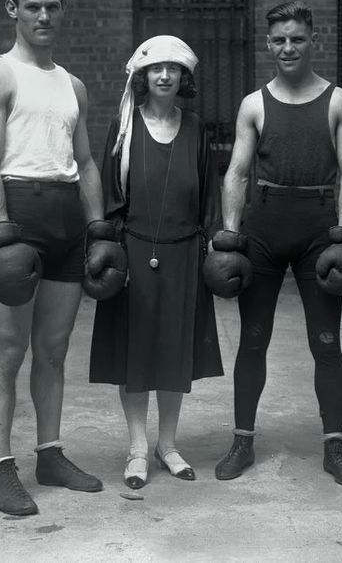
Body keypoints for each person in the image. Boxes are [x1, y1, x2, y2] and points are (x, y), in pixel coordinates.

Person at [0, 0, 118, 516]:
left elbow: (85, 162)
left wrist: (98, 228)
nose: (43, 15)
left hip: (66, 219)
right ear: (14, 9)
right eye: (33, 6)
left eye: (52, 6)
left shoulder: (72, 85)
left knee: (53, 349)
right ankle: (0, 469)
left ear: (63, 9)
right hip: (19, 214)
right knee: (8, 349)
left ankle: (50, 455)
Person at [211, 1, 342, 487]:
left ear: (313, 40)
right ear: (268, 44)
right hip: (264, 226)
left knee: (326, 341)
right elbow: (237, 171)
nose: (288, 47)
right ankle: (242, 441)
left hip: (319, 228)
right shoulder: (254, 104)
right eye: (279, 40)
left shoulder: (339, 100)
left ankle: (334, 448)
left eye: (297, 38)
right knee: (253, 338)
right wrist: (229, 236)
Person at [89, 35, 223, 489]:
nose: (164, 76)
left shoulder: (196, 129)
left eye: (173, 69)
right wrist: (112, 253)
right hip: (133, 251)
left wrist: (211, 248)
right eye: (155, 69)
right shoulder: (124, 126)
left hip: (184, 253)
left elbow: (208, 196)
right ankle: (137, 448)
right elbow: (111, 193)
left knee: (173, 350)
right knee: (135, 351)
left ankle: (168, 445)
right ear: (142, 76)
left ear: (184, 77)